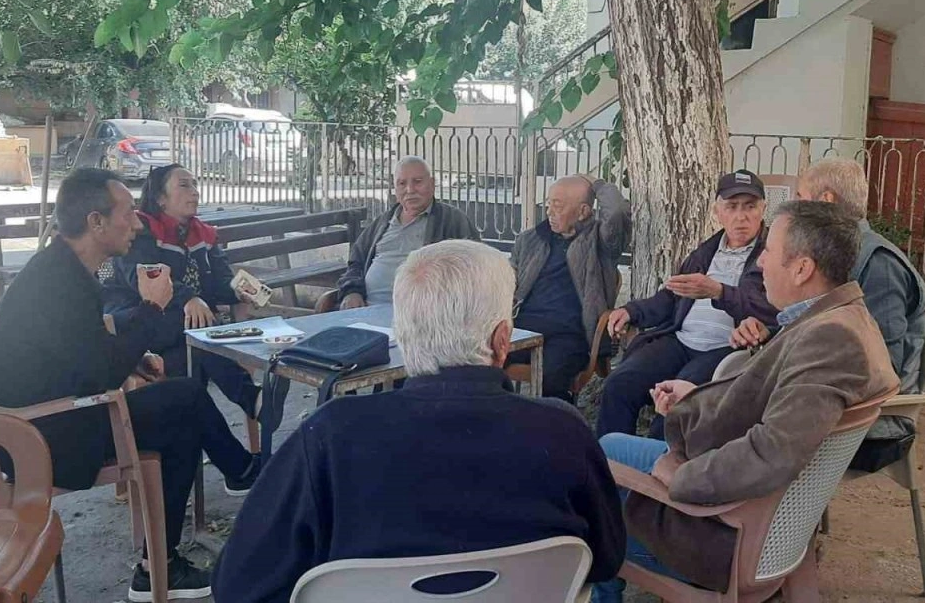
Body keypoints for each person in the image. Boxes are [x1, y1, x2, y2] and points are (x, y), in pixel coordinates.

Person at [213, 240, 627, 602]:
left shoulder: (329, 436)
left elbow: (237, 583)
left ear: (401, 335)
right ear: (503, 340)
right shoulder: (564, 432)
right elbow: (605, 559)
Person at [0, 168, 261, 602]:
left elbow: (79, 353)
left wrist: (134, 356)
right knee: (184, 400)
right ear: (96, 222)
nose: (137, 224)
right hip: (45, 438)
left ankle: (161, 563)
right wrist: (152, 308)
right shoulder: (59, 282)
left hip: (44, 423)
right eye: (127, 213)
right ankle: (237, 481)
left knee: (181, 408)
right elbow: (101, 374)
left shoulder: (61, 270)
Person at [592, 201, 899, 600]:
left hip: (733, 538)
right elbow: (774, 405)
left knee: (584, 497)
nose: (760, 263)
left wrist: (681, 477)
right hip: (750, 508)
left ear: (802, 269)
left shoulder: (830, 339)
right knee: (605, 448)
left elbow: (771, 453)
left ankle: (603, 590)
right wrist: (696, 399)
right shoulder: (843, 317)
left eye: (768, 251)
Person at [731, 158, 925, 471]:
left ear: (825, 202)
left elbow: (880, 366)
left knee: (736, 436)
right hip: (828, 403)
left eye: (800, 196)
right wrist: (770, 332)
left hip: (872, 425)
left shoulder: (879, 265)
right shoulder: (837, 252)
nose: (794, 204)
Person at [595, 170, 779, 438]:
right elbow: (670, 297)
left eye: (750, 206)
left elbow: (769, 308)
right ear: (718, 211)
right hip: (680, 341)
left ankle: (656, 463)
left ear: (763, 209)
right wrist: (630, 310)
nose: (741, 216)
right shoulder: (705, 252)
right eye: (732, 207)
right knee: (619, 384)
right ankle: (609, 459)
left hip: (726, 349)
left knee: (673, 407)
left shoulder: (772, 254)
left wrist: (718, 291)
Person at [102, 164, 264, 422]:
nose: (195, 192)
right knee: (201, 331)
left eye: (195, 185)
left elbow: (221, 281)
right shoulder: (141, 230)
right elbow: (143, 276)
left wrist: (241, 290)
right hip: (138, 320)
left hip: (182, 331)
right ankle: (253, 399)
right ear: (160, 198)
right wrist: (188, 297)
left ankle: (224, 419)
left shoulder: (203, 234)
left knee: (194, 352)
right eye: (184, 185)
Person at [508, 175, 631, 401]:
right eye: (548, 204)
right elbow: (508, 281)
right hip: (523, 326)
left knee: (552, 377)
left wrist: (595, 183)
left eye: (558, 206)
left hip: (569, 334)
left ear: (583, 211)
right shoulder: (530, 240)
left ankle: (557, 420)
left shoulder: (600, 242)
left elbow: (617, 211)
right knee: (480, 359)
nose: (549, 212)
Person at [315, 156, 480, 312]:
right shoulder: (382, 223)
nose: (410, 189)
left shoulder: (452, 221)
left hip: (424, 317)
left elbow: (475, 271)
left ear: (432, 183)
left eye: (418, 182)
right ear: (395, 188)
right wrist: (352, 291)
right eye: (402, 183)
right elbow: (356, 264)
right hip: (367, 310)